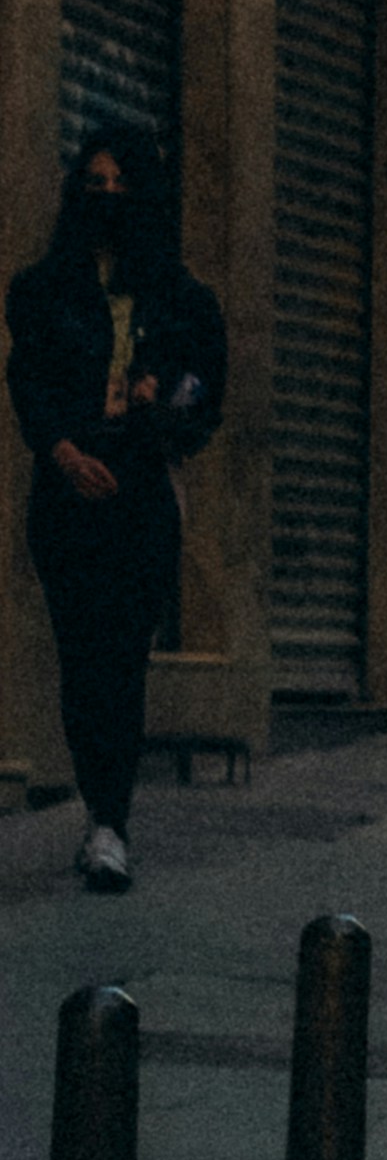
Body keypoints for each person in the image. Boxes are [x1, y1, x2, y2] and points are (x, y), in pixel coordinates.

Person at [8, 122, 228, 895]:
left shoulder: (181, 301)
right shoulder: (40, 291)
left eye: (120, 185)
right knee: (80, 657)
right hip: (69, 496)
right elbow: (27, 383)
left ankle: (110, 822)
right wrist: (63, 454)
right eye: (93, 183)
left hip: (138, 495)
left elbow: (206, 399)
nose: (107, 197)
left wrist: (158, 400)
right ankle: (100, 812)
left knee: (123, 660)